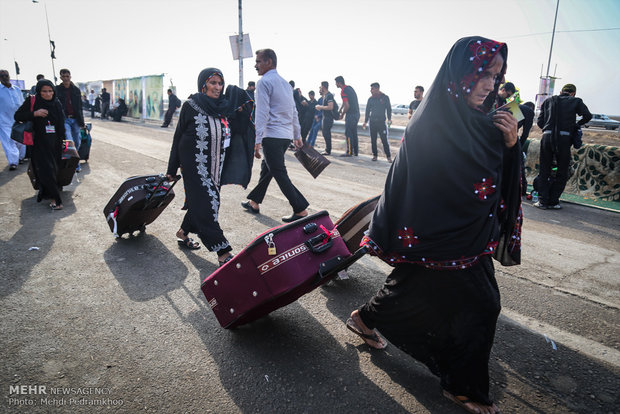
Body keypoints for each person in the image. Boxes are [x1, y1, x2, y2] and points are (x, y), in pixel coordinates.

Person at [346, 36, 521, 414]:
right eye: (482, 74)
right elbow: (422, 184)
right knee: (483, 305)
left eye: (496, 75)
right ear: (460, 74)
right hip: (439, 233)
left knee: (411, 284)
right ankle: (462, 387)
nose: (491, 85)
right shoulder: (433, 122)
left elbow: (489, 178)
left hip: (469, 233)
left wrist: (510, 145)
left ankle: (364, 317)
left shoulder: (482, 120)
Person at [166, 68, 253, 266]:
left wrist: (241, 109)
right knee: (207, 205)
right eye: (212, 83)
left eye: (220, 83)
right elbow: (178, 137)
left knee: (206, 203)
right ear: (203, 85)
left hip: (215, 167)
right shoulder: (191, 105)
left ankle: (183, 232)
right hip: (193, 165)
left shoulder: (224, 108)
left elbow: (240, 128)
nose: (217, 87)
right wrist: (172, 169)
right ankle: (223, 251)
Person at [241, 48, 309, 223]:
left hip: (271, 136)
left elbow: (261, 113)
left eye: (258, 61)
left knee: (278, 172)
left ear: (269, 62)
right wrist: (297, 134)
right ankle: (254, 202)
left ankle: (300, 208)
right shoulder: (285, 83)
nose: (255, 65)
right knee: (268, 168)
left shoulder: (264, 82)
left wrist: (257, 140)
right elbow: (293, 111)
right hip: (285, 137)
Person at [535, 83, 592, 209]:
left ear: (561, 91)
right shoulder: (576, 101)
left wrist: (547, 129)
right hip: (564, 140)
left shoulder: (548, 101)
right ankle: (553, 201)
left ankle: (542, 201)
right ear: (573, 93)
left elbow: (540, 121)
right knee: (562, 171)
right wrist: (576, 125)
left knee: (544, 170)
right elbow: (588, 116)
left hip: (547, 138)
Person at [14, 79, 66, 210]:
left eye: (50, 91)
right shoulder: (33, 101)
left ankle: (48, 192)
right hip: (38, 142)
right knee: (45, 170)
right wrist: (34, 114)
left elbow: (61, 123)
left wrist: (63, 140)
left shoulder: (57, 103)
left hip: (55, 142)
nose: (48, 94)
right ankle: (56, 199)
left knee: (53, 169)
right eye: (44, 91)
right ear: (39, 92)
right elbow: (17, 116)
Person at [55, 69, 85, 157]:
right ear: (60, 77)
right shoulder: (57, 89)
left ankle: (74, 162)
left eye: (67, 76)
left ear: (70, 77)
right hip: (64, 119)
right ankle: (74, 165)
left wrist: (82, 122)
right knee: (69, 141)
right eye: (63, 76)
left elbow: (79, 107)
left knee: (77, 141)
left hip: (75, 119)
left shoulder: (76, 90)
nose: (65, 78)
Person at [0, 69, 26, 170]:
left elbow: (22, 103)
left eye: (6, 75)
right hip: (4, 120)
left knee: (20, 140)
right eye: (2, 76)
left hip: (18, 119)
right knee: (9, 141)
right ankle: (13, 162)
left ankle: (20, 158)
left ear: (9, 76)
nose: (5, 77)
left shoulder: (17, 89)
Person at [362, 82, 392, 162]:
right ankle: (375, 155)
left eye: (372, 89)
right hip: (372, 122)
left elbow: (389, 109)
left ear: (377, 89)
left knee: (384, 140)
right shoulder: (370, 99)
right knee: (373, 140)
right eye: (371, 89)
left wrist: (389, 119)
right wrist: (365, 121)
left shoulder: (385, 97)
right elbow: (367, 111)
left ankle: (388, 156)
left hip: (381, 122)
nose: (371, 90)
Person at [335, 76, 360, 156]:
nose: (335, 84)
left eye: (336, 83)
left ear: (339, 83)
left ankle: (349, 152)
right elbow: (345, 102)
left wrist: (342, 114)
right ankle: (356, 151)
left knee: (348, 133)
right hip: (357, 113)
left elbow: (347, 105)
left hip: (351, 114)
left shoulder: (343, 91)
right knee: (354, 133)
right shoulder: (349, 88)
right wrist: (340, 109)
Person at [518, 101, 535, 196]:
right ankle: (522, 190)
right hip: (508, 137)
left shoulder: (516, 106)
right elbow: (525, 132)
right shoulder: (529, 111)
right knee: (519, 164)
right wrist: (519, 146)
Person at [314, 81, 335, 155]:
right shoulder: (325, 95)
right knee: (325, 133)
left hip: (328, 118)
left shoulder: (329, 95)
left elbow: (330, 107)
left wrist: (320, 107)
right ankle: (327, 149)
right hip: (325, 117)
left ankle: (328, 150)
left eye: (321, 86)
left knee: (326, 134)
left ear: (323, 87)